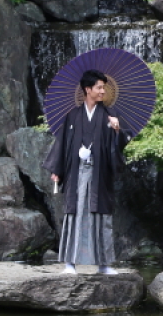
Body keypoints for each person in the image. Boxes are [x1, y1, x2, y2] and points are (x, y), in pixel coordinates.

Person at [43, 69, 129, 275]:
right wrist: (57, 169)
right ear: (87, 89)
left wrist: (117, 130)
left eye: (104, 88)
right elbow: (61, 144)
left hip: (99, 173)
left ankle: (104, 264)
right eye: (99, 87)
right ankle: (70, 263)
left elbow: (120, 144)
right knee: (75, 213)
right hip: (76, 172)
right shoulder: (72, 116)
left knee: (100, 215)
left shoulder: (110, 115)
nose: (102, 91)